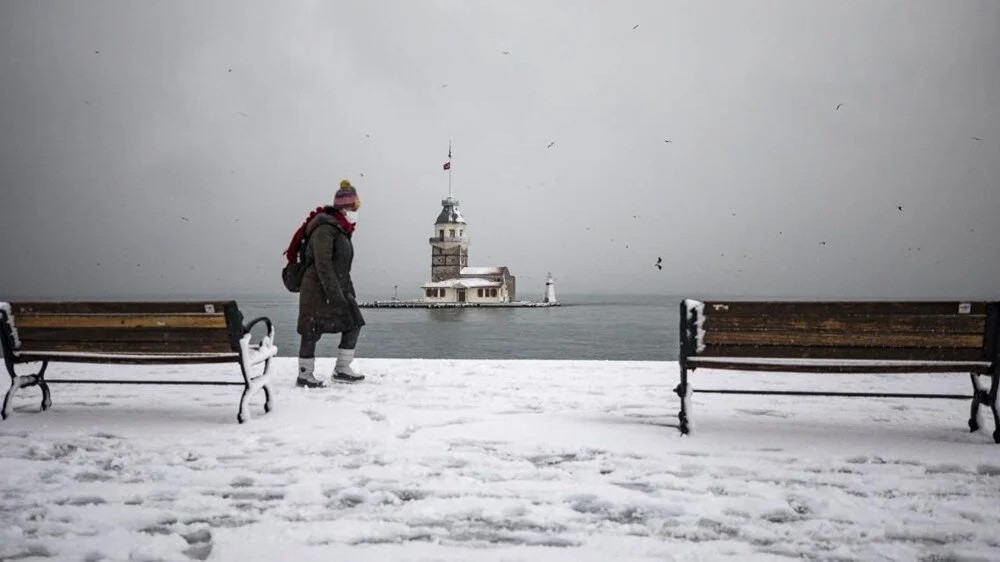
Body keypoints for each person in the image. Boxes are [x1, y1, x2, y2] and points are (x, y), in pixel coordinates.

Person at [294, 179, 366, 387]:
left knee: (353, 322)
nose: (356, 211)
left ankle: (342, 368)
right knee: (311, 329)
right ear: (345, 207)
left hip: (336, 286)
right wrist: (335, 295)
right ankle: (304, 374)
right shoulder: (325, 228)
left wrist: (347, 291)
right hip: (317, 289)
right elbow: (323, 264)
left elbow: (341, 265)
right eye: (354, 207)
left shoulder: (341, 229)